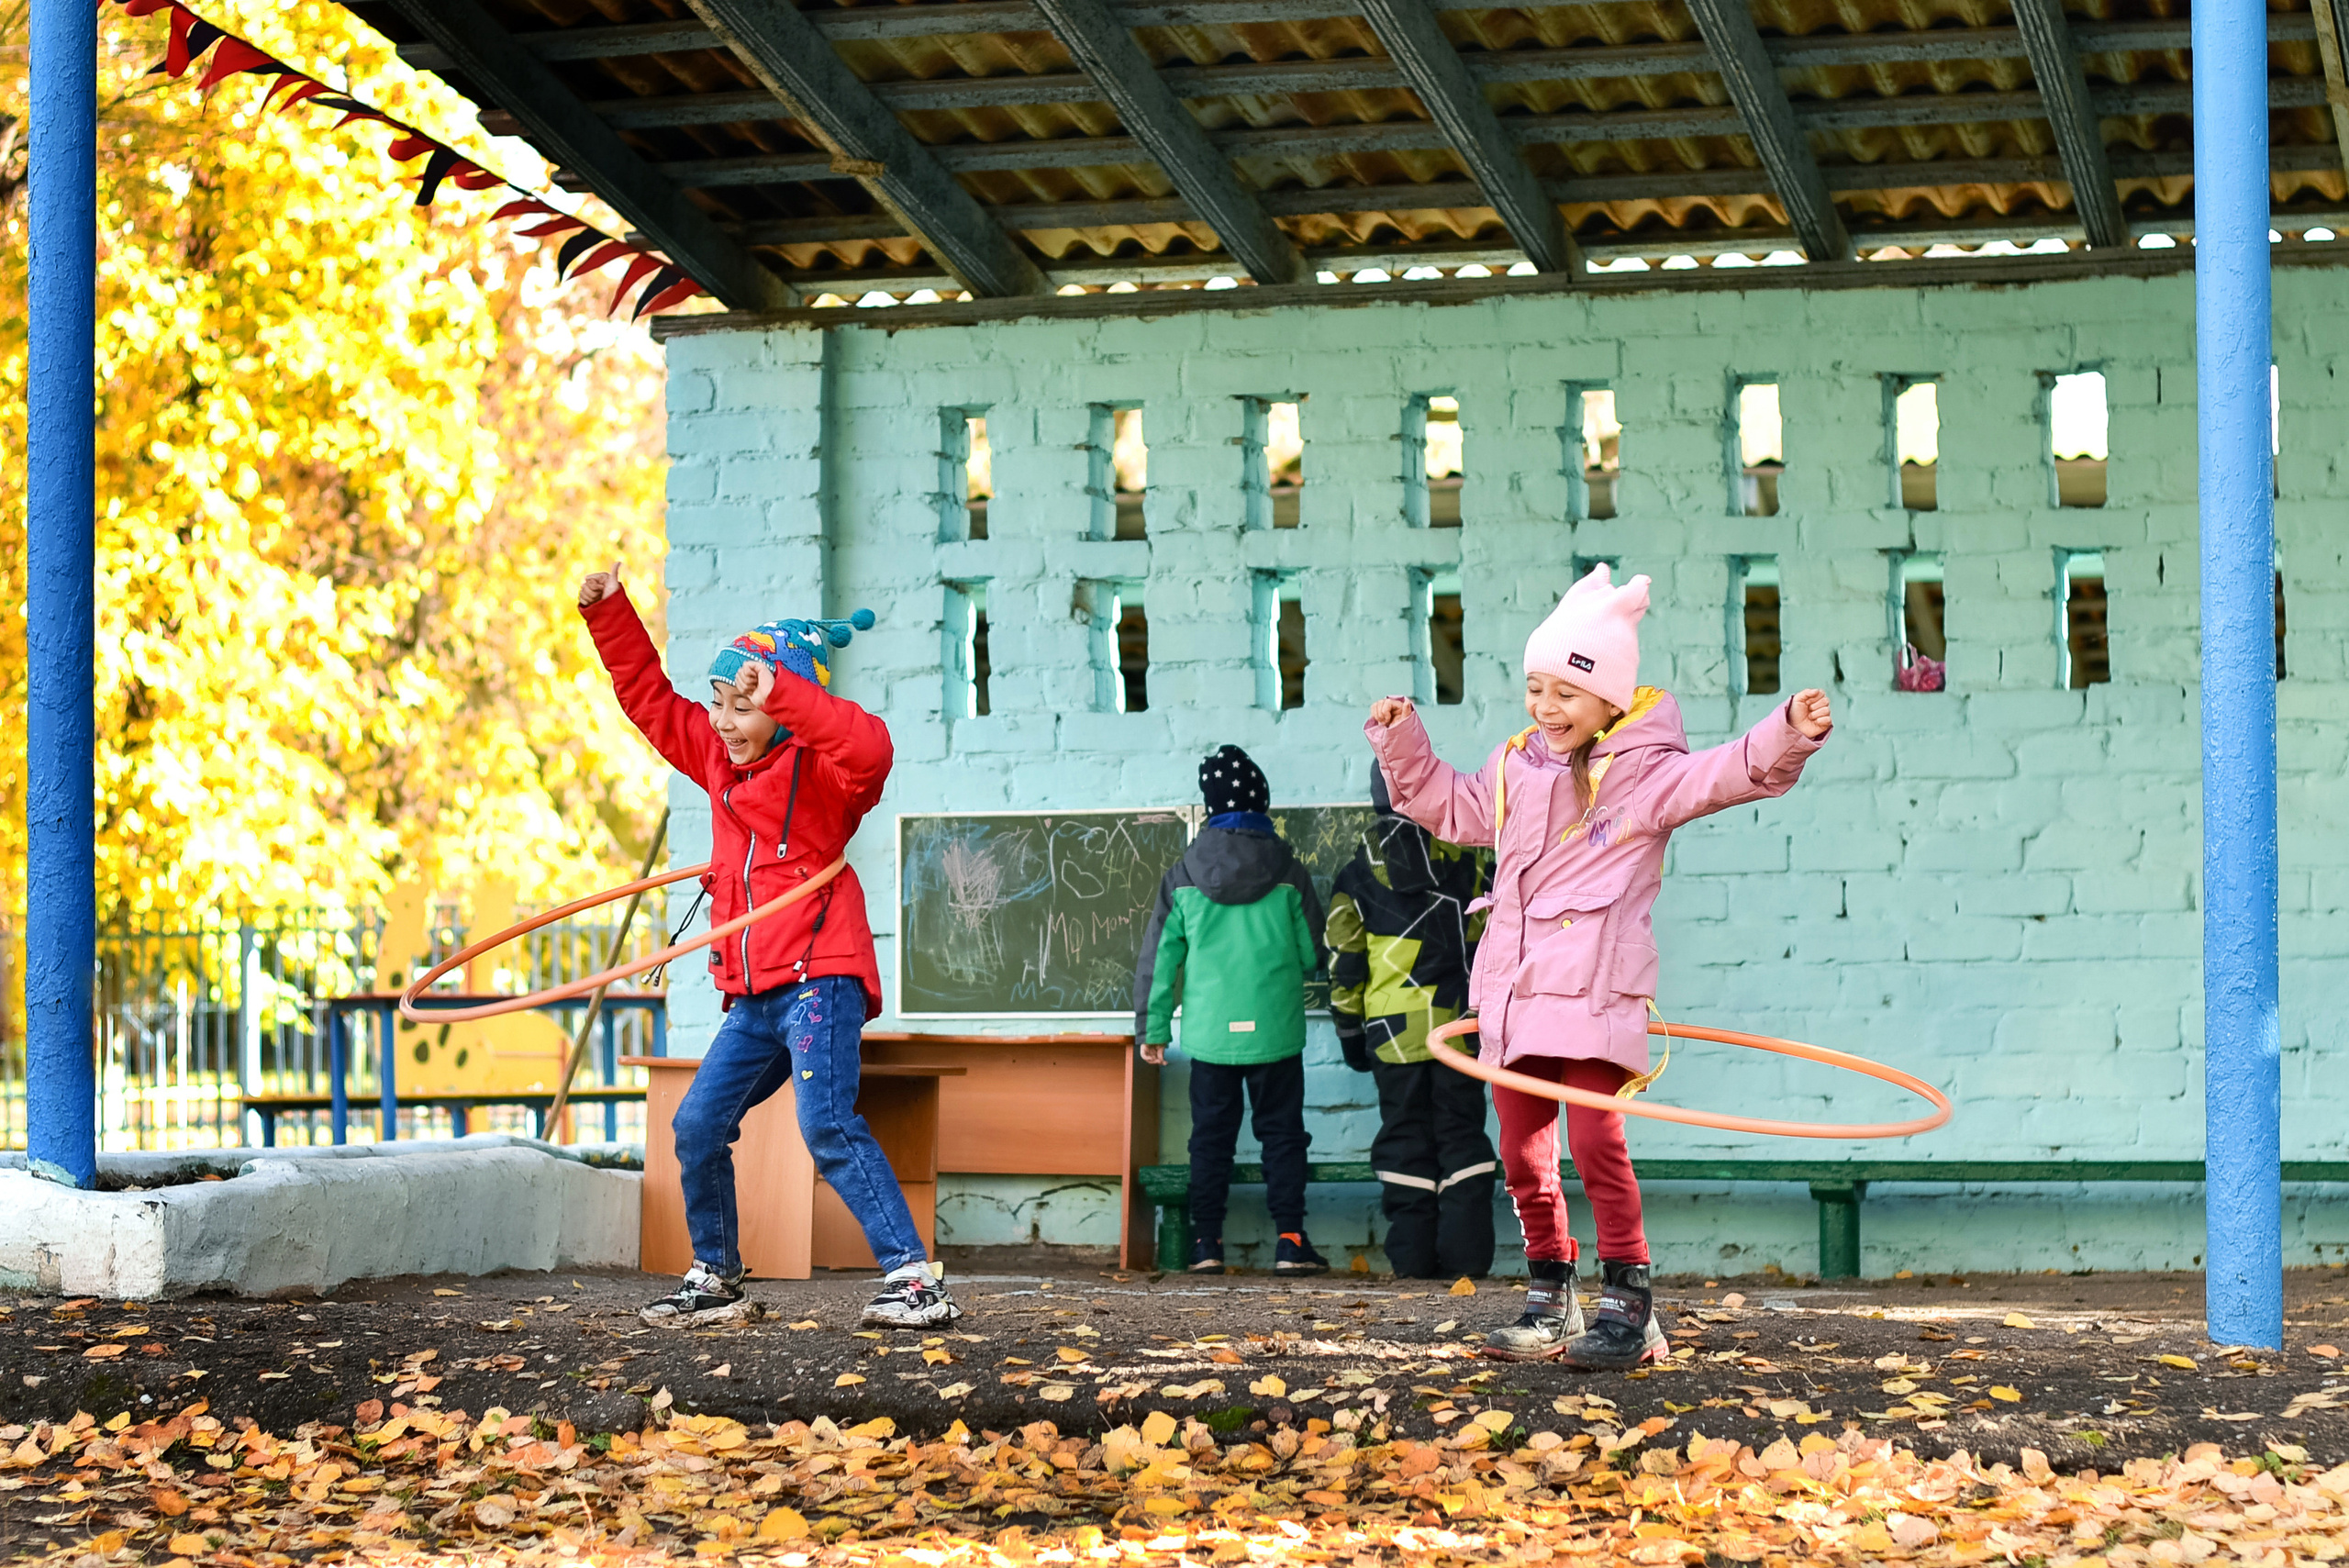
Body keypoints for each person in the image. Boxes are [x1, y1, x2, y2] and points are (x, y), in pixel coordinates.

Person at [1366, 563, 1832, 1367]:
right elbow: (1447, 805)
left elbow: (1722, 773)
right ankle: (1552, 1290)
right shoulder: (1514, 770)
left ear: (1610, 698)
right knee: (1520, 1150)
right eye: (1536, 688)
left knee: (1594, 1137)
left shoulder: (1645, 776)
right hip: (1514, 994)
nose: (1546, 708)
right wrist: (1403, 741)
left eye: (1566, 693)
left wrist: (1786, 728)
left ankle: (1630, 1300)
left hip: (1593, 991)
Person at [576, 563, 959, 1330]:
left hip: (821, 976)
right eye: (719, 700)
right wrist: (609, 612)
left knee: (825, 1120)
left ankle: (915, 1280)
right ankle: (716, 1276)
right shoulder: (716, 760)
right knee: (695, 1125)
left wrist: (780, 691)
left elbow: (871, 745)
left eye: (743, 704)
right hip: (754, 994)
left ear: (783, 709)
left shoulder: (827, 776)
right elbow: (651, 703)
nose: (722, 718)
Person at [1135, 745, 1330, 1275]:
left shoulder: (1182, 876)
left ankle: (1206, 1244)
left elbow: (1159, 959)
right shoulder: (1289, 871)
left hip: (1209, 1034)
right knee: (1283, 1134)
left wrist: (1152, 1029)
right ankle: (1290, 1240)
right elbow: (1314, 954)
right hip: (1276, 1031)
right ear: (1261, 803)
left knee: (1210, 1139)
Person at [1328, 763, 1497, 1279]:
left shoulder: (1356, 873)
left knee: (1403, 1137)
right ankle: (1469, 1260)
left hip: (1390, 1036)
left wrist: (1350, 1033)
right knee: (1462, 1134)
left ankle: (1413, 1261)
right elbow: (1493, 944)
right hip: (1460, 1032)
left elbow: (1344, 961)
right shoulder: (1471, 861)